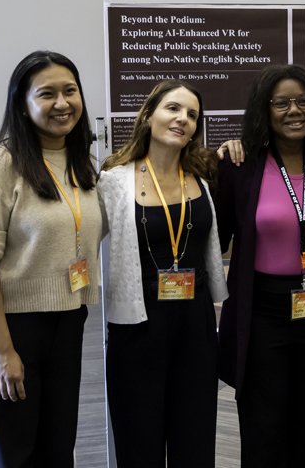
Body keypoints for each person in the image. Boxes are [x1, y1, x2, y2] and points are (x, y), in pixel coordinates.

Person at [0, 50, 101, 467]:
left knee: (57, 447)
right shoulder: (0, 165)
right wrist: (3, 351)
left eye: (70, 91)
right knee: (9, 452)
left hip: (66, 321)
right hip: (6, 325)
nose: (62, 103)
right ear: (22, 104)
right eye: (47, 94)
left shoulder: (81, 164)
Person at [214, 64, 305, 466]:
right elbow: (216, 237)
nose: (294, 110)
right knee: (263, 428)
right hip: (262, 314)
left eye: (303, 101)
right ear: (264, 109)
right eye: (281, 102)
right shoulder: (241, 166)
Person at [98, 80, 228, 467]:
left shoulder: (202, 175)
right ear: (148, 115)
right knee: (139, 444)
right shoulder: (114, 181)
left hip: (195, 327)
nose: (183, 119)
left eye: (192, 114)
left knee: (195, 441)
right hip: (138, 328)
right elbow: (79, 235)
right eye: (173, 108)